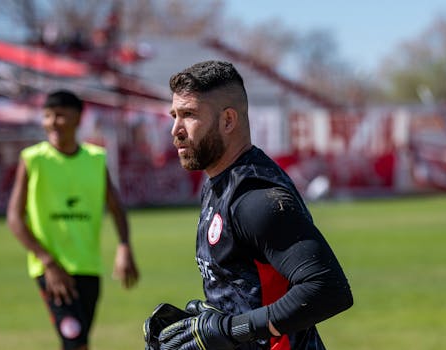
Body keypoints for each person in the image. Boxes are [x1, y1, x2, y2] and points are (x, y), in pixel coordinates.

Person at [146, 60, 353, 349]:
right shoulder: (217, 182)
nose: (175, 129)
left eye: (189, 115)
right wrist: (209, 320)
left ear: (228, 121)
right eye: (174, 115)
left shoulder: (255, 197)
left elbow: (328, 289)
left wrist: (229, 329)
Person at [7, 89, 139, 350]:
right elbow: (14, 217)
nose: (52, 122)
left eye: (60, 116)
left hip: (88, 266)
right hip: (52, 269)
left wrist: (124, 246)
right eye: (47, 116)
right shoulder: (33, 159)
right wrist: (47, 262)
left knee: (77, 342)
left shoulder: (95, 159)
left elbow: (115, 207)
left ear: (79, 119)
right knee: (76, 340)